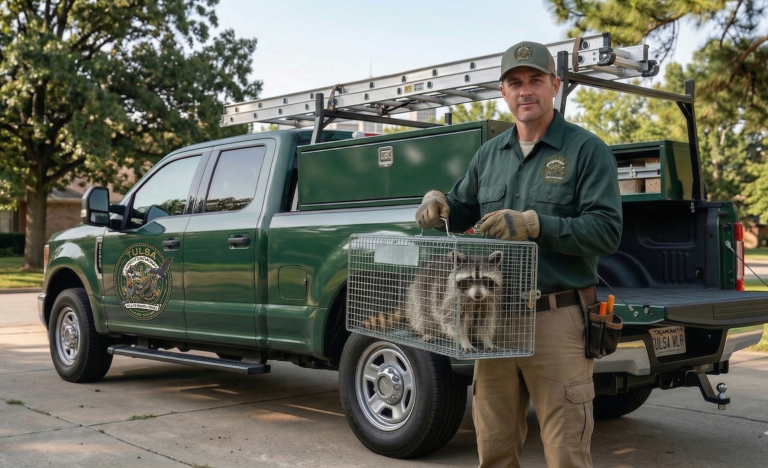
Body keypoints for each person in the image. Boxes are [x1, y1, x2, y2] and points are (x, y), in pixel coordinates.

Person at [415, 41, 623, 468]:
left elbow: (607, 231)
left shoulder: (586, 150)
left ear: (554, 86)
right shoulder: (489, 154)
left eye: (535, 80)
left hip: (556, 320)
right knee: (494, 448)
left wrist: (536, 224)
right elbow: (461, 207)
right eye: (514, 83)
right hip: (493, 319)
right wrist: (438, 203)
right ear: (503, 92)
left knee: (566, 453)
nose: (525, 90)